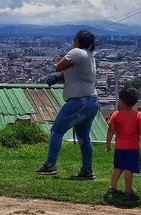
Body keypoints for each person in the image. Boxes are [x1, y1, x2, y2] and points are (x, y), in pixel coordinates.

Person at [36, 30, 100, 179]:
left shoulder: (76, 52)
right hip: (91, 102)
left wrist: (57, 74)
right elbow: (75, 76)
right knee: (84, 138)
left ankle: (50, 165)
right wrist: (58, 79)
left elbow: (59, 66)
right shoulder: (89, 56)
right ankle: (87, 169)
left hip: (78, 101)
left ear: (77, 40)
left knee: (56, 131)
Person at [106, 87, 141, 196]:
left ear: (121, 101)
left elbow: (111, 130)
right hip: (132, 147)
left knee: (118, 167)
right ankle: (128, 190)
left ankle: (112, 187)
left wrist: (108, 144)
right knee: (128, 169)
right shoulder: (138, 115)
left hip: (119, 147)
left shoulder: (115, 115)